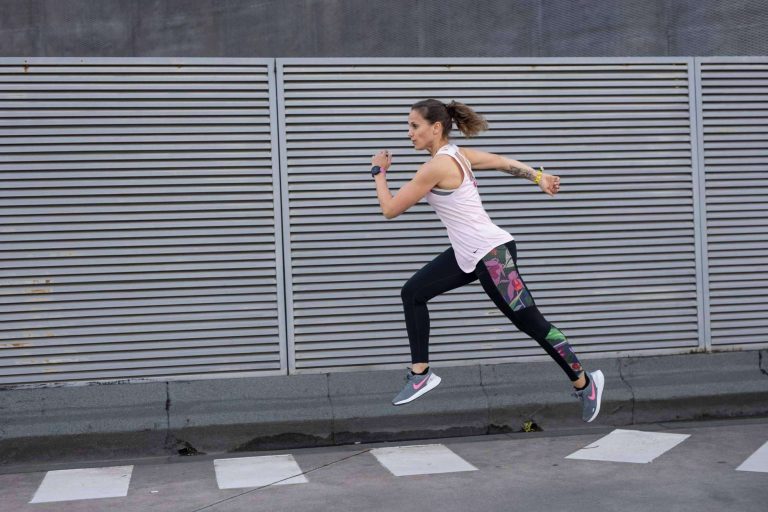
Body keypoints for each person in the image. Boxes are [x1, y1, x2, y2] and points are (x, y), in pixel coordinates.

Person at [369, 99, 604, 422]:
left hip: (492, 257)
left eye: (413, 126)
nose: (408, 133)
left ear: (435, 128)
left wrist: (378, 172)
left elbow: (390, 209)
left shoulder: (436, 165)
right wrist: (538, 177)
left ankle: (585, 383)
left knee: (531, 323)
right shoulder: (455, 155)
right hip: (471, 254)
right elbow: (498, 161)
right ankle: (420, 373)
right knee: (413, 292)